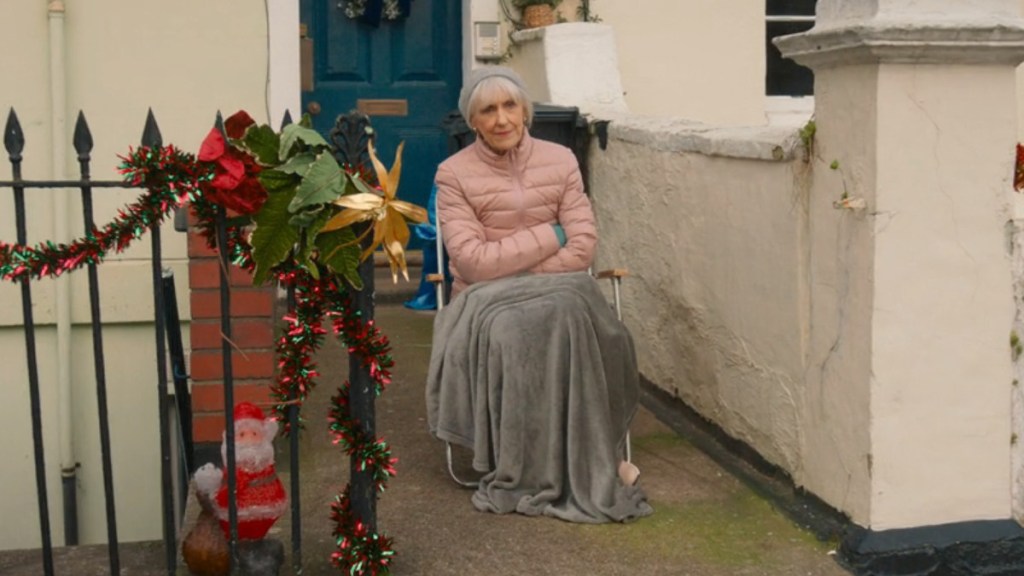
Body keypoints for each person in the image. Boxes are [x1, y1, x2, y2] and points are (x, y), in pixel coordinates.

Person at [427, 66, 652, 524]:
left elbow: (584, 245)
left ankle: (586, 463)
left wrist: (513, 260)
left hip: (560, 290)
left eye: (510, 106)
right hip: (486, 300)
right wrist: (551, 235)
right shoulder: (453, 174)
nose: (501, 119)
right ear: (473, 121)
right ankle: (584, 467)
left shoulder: (561, 160)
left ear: (525, 111)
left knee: (569, 311)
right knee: (515, 327)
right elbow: (472, 262)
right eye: (488, 110)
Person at [194, 402, 288, 540]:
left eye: (255, 434)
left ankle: (256, 541)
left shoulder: (265, 465)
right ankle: (238, 542)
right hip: (235, 514)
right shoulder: (233, 470)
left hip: (269, 507)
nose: (249, 440)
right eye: (242, 434)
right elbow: (225, 492)